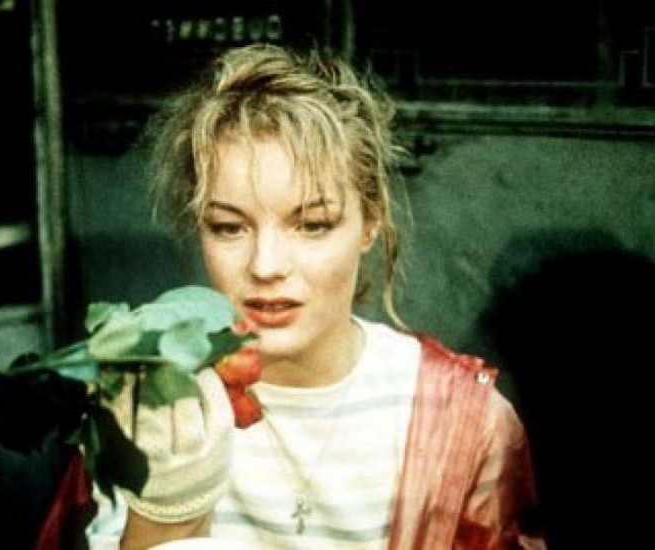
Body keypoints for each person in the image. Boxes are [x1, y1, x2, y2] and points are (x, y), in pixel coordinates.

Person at [86, 43, 545, 549]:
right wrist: (167, 511)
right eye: (229, 227)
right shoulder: (152, 399)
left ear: (370, 222)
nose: (265, 266)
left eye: (312, 225)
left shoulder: (462, 420)